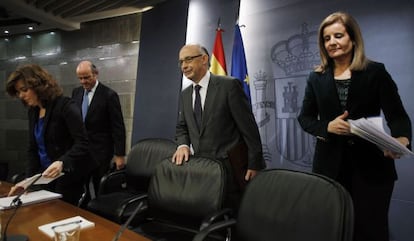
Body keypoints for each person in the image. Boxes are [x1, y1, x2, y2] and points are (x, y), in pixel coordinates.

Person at [297, 12, 411, 241]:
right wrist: (327, 126)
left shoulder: (376, 72)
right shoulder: (315, 77)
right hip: (329, 169)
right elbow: (305, 118)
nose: (332, 42)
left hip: (372, 168)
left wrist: (401, 139)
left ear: (353, 38)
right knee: (333, 230)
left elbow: (398, 116)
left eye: (338, 35)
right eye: (326, 39)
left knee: (370, 231)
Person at [173, 44, 265, 209]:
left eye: (188, 59)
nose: (184, 66)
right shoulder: (185, 94)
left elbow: (249, 129)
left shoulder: (229, 86)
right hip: (202, 169)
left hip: (231, 169)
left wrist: (255, 163)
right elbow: (182, 127)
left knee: (234, 213)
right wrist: (182, 144)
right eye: (181, 62)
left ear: (204, 59)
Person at [6, 64, 97, 205]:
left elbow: (83, 143)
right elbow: (33, 149)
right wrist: (28, 182)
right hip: (45, 176)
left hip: (68, 176)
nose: (21, 96)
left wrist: (62, 162)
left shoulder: (66, 106)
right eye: (18, 92)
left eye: (24, 90)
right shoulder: (33, 111)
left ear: (39, 86)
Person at [72, 61, 126, 196]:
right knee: (80, 189)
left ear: (96, 74)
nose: (83, 81)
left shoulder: (109, 95)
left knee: (100, 189)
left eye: (86, 77)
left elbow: (118, 127)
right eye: (80, 78)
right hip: (80, 152)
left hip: (100, 153)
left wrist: (119, 155)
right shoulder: (76, 93)